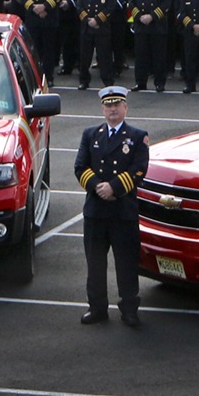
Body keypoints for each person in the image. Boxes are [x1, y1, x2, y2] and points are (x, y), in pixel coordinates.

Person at [76, 86, 148, 327]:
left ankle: (129, 309)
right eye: (108, 105)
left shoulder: (138, 137)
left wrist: (114, 188)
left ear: (125, 107)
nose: (112, 109)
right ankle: (97, 307)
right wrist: (98, 186)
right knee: (95, 263)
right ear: (102, 109)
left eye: (117, 105)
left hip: (122, 211)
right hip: (96, 211)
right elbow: (80, 167)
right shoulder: (90, 134)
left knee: (126, 263)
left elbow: (139, 170)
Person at [75, 0, 124, 90]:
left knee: (104, 57)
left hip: (102, 29)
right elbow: (79, 7)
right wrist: (88, 20)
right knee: (85, 57)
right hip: (86, 28)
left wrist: (97, 20)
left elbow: (110, 8)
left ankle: (108, 81)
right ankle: (84, 80)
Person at [127, 0, 169, 93]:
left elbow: (166, 4)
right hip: (141, 25)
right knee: (140, 56)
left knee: (159, 56)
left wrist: (152, 16)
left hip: (157, 25)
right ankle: (140, 82)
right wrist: (139, 16)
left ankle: (159, 83)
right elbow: (131, 2)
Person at [21, 0, 66, 76]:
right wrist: (34, 8)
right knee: (34, 49)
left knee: (49, 50)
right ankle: (35, 75)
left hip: (49, 19)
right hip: (33, 20)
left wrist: (44, 6)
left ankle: (48, 76)